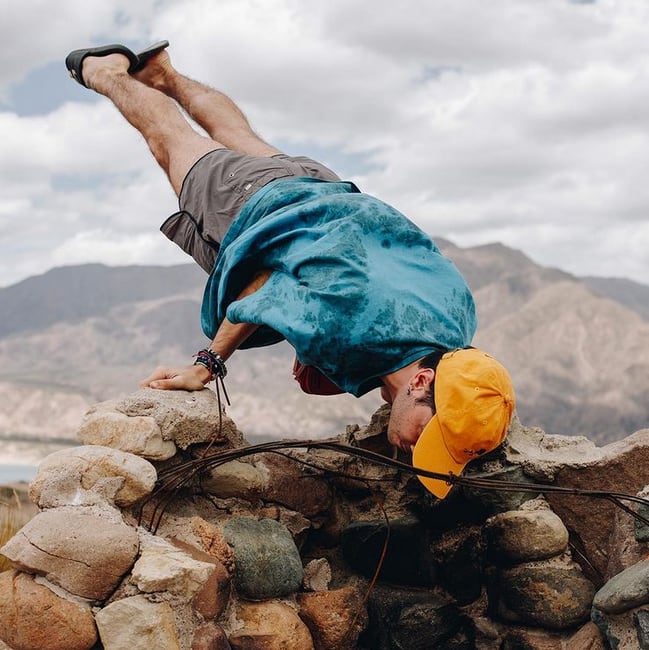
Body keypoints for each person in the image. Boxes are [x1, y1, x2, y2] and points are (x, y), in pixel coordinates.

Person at [65, 40, 516, 498]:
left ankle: (164, 74)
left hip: (325, 188)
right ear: (422, 381)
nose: (418, 448)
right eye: (429, 432)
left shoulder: (458, 326)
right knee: (168, 140)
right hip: (259, 204)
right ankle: (104, 70)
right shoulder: (351, 332)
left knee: (235, 134)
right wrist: (207, 365)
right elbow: (260, 289)